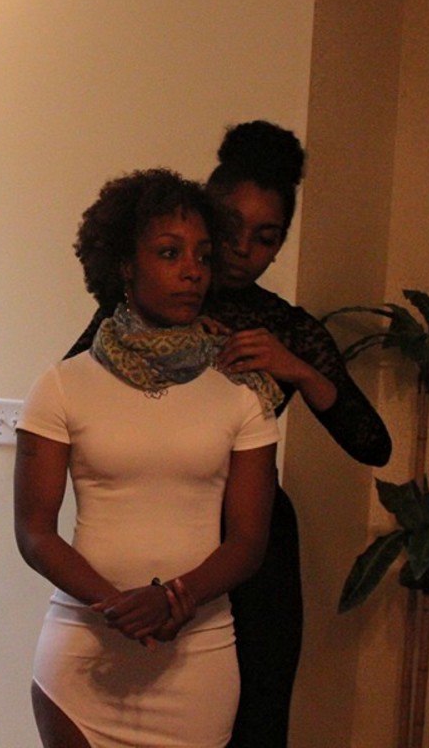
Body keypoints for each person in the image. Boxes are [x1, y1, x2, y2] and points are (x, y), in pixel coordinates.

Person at [66, 122, 392, 748]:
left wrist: (295, 367)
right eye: (233, 228)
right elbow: (74, 394)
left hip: (256, 546)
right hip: (160, 524)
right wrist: (170, 351)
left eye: (267, 238)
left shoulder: (288, 328)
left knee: (257, 712)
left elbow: (372, 444)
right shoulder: (143, 306)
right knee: (141, 703)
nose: (244, 249)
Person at [15, 168, 284, 748]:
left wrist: (172, 599)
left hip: (199, 658)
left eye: (203, 256)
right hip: (84, 650)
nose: (192, 271)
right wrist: (117, 606)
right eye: (169, 252)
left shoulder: (243, 390)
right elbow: (35, 531)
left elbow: (248, 541)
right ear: (124, 265)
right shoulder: (62, 385)